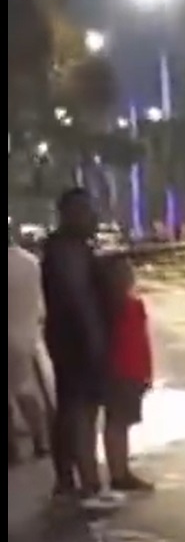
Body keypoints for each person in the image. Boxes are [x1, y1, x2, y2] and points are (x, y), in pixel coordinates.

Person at [40, 188, 108, 503]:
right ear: (69, 214)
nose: (93, 217)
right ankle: (85, 481)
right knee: (78, 411)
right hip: (76, 344)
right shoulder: (66, 251)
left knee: (72, 409)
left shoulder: (70, 248)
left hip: (71, 341)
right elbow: (77, 300)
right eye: (85, 211)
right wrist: (95, 344)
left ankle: (69, 479)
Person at [98, 255, 153, 491]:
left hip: (114, 371)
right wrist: (147, 373)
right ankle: (120, 474)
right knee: (120, 425)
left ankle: (119, 471)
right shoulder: (132, 306)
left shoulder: (104, 309)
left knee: (115, 423)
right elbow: (140, 343)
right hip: (130, 372)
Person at [8, 233, 50, 462]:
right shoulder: (31, 262)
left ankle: (12, 449)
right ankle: (41, 440)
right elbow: (41, 305)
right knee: (26, 390)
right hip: (27, 336)